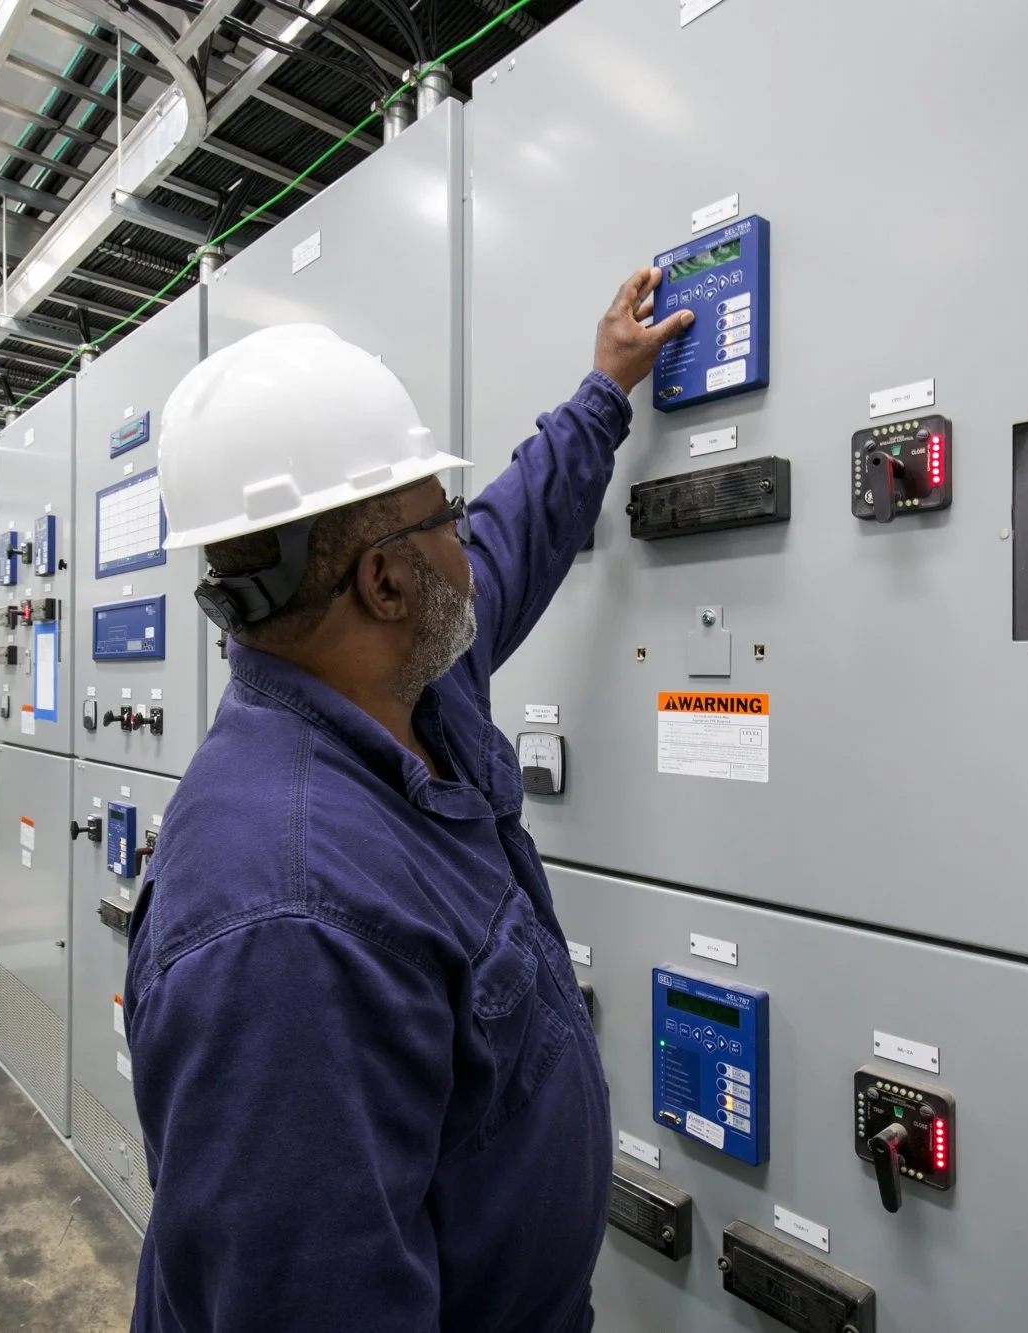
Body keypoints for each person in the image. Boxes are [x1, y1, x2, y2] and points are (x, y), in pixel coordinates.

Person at [123, 269, 693, 1331]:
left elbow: (513, 539)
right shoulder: (283, 922)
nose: (466, 545)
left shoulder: (407, 685)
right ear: (387, 583)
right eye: (445, 516)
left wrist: (603, 393)